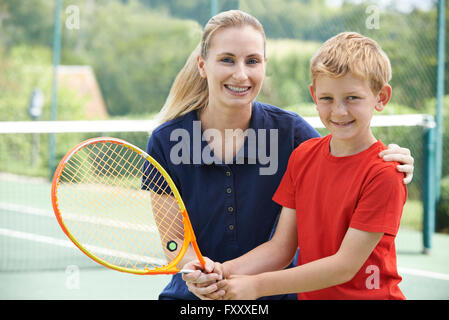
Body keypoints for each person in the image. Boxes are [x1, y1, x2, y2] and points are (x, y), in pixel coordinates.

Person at [146, 10, 414, 300]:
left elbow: (346, 154)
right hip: (193, 294)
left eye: (252, 61)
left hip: (273, 296)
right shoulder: (166, 141)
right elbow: (173, 242)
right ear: (202, 65)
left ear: (264, 66)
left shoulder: (293, 135)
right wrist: (197, 272)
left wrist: (397, 159)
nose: (241, 74)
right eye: (227, 59)